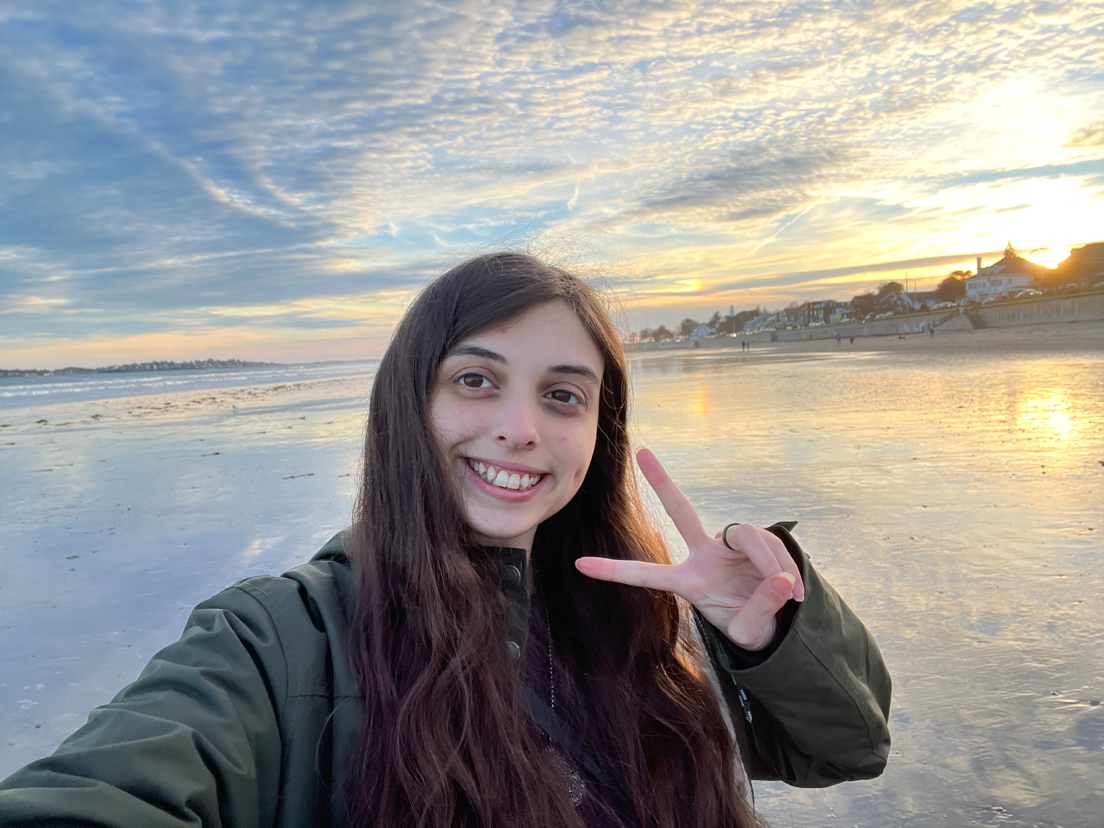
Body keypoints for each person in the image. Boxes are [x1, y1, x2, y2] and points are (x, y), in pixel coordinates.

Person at [0, 253, 891, 827]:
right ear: (407, 404)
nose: (519, 428)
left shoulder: (652, 617)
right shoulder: (282, 640)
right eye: (475, 378)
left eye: (563, 394)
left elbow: (849, 748)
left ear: (599, 431)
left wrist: (770, 639)